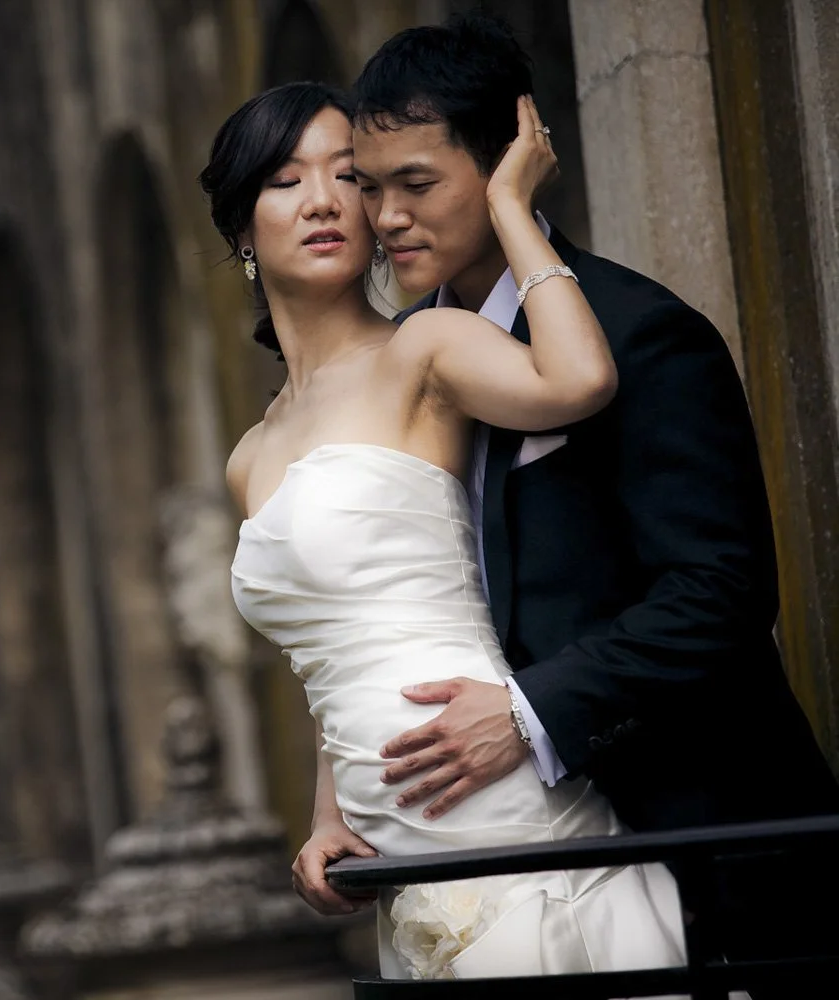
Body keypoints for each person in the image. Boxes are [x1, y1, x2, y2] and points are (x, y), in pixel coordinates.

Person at [293, 10, 839, 983]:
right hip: (491, 876)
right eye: (368, 188)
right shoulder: (399, 366)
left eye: (417, 183)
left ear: (510, 165)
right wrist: (337, 799)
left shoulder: (642, 336)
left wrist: (529, 712)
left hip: (702, 855)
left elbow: (719, 589)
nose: (385, 218)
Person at [207, 77, 689, 980]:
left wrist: (512, 206)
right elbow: (330, 655)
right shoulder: (250, 454)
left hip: (491, 786)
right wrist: (330, 814)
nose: (323, 201)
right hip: (400, 852)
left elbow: (580, 379)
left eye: (348, 176)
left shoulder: (423, 349)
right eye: (285, 179)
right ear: (241, 226)